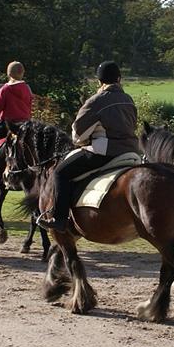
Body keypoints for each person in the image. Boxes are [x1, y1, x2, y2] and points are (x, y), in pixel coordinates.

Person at [37, 61, 140, 233]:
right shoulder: (128, 100)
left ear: (99, 81)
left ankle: (59, 219)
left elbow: (77, 133)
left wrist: (84, 142)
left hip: (104, 152)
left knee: (60, 173)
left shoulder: (96, 101)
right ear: (119, 79)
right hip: (132, 152)